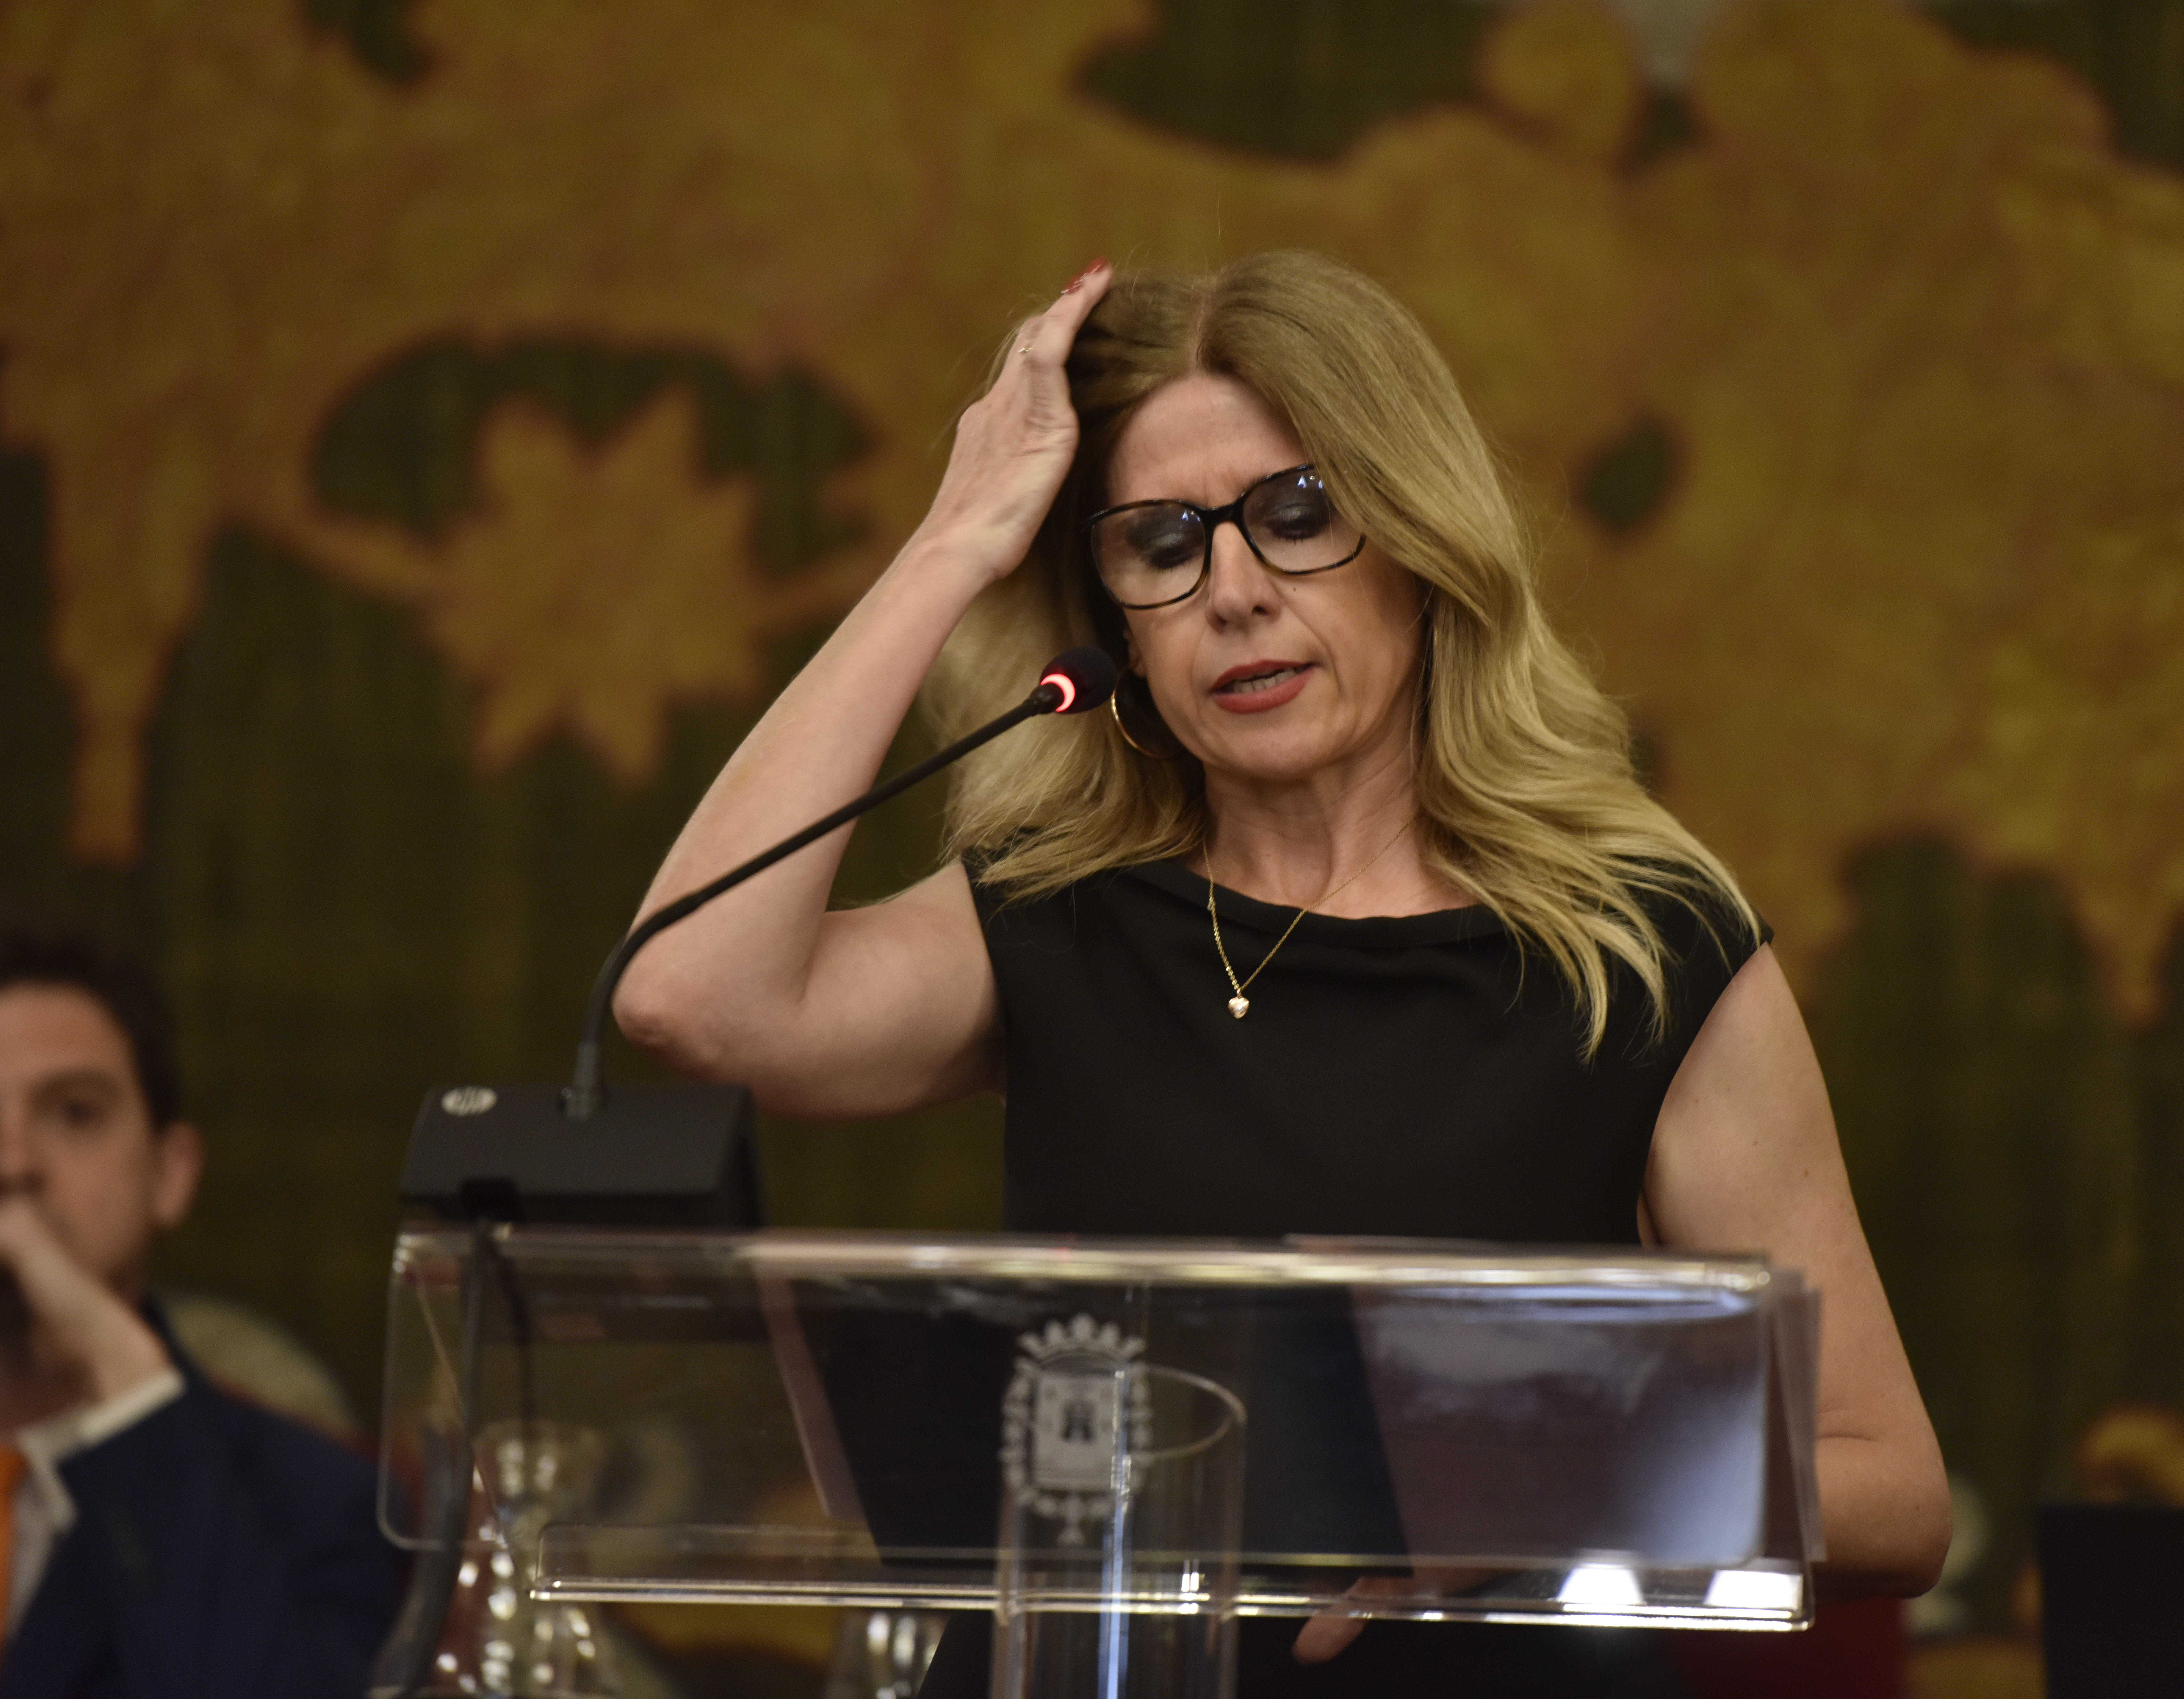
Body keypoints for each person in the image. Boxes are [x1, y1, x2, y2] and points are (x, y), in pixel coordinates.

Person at [616, 250, 1951, 1695]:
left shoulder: (1637, 942)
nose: (1232, 592)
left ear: (1419, 535)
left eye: (1297, 515)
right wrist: (953, 537)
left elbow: (1890, 1491)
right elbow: (690, 996)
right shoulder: (1064, 911)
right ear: (1108, 610)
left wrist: (1555, 1486)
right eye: (1160, 543)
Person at [0, 920, 403, 1698]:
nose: (11, 1164)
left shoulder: (319, 1503)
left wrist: (122, 1368)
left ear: (170, 1172)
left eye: (74, 1113)